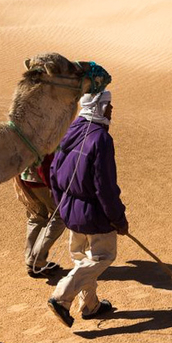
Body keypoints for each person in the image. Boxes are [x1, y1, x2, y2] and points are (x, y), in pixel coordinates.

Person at [46, 90, 128, 327]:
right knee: (102, 256)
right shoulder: (101, 139)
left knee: (82, 258)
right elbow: (105, 186)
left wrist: (63, 206)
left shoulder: (70, 131)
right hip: (95, 215)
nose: (111, 110)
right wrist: (118, 218)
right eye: (108, 105)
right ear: (99, 107)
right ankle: (61, 297)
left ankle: (90, 305)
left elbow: (53, 173)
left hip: (71, 211)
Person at [13, 153, 66, 277]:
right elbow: (45, 158)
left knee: (37, 216)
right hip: (41, 179)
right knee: (59, 215)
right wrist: (51, 185)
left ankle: (31, 261)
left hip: (26, 176)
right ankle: (37, 260)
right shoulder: (45, 133)